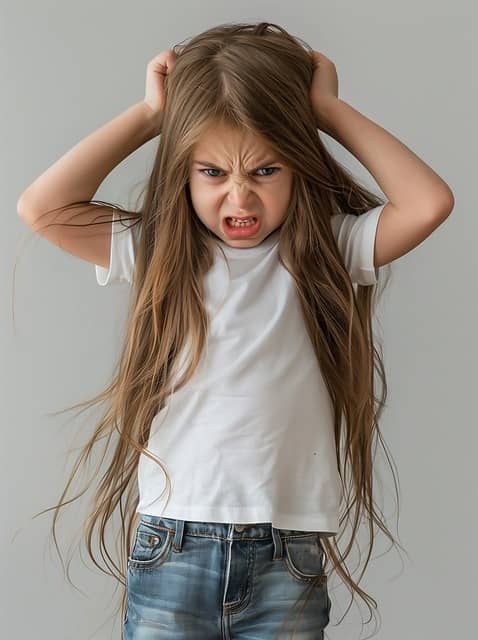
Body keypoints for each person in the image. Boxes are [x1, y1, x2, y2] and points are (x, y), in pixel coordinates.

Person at [17, 21, 454, 640]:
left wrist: (326, 111)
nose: (240, 198)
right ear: (183, 172)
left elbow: (428, 202)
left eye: (267, 170)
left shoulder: (328, 249)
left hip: (289, 551)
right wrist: (151, 115)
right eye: (213, 172)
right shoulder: (159, 251)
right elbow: (42, 208)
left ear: (299, 165)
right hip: (172, 543)